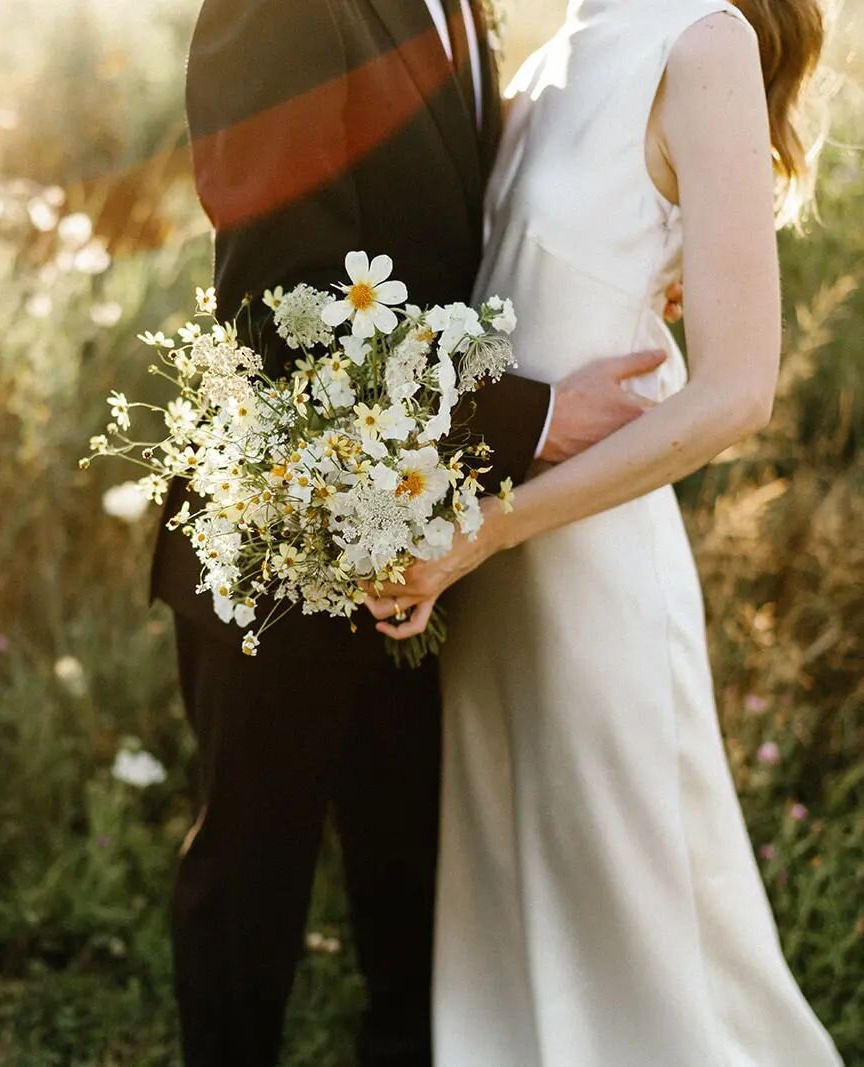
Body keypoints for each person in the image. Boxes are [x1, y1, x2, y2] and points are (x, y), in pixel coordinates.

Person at [149, 2, 673, 1063]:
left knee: (416, 891)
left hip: (439, 534)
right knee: (251, 886)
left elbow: (468, 239)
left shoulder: (469, 10)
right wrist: (526, 416)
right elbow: (276, 299)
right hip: (282, 529)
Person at [365, 0, 844, 1063]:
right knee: (519, 921)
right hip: (487, 577)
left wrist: (491, 527)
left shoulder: (701, 39)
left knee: (641, 938)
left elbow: (733, 394)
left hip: (583, 571)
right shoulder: (553, 52)